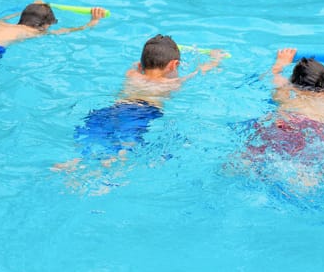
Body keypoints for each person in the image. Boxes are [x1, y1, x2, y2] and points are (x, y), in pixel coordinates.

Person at [54, 34, 227, 172]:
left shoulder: (132, 74)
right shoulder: (172, 83)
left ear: (140, 65)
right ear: (175, 65)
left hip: (109, 110)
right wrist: (215, 59)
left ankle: (73, 163)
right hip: (139, 114)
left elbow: (140, 64)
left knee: (94, 139)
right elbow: (201, 71)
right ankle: (103, 170)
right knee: (123, 149)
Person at [245, 48, 324, 160]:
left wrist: (281, 61)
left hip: (285, 124)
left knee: (255, 155)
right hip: (316, 131)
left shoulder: (286, 91)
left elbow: (274, 75)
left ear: (292, 80)